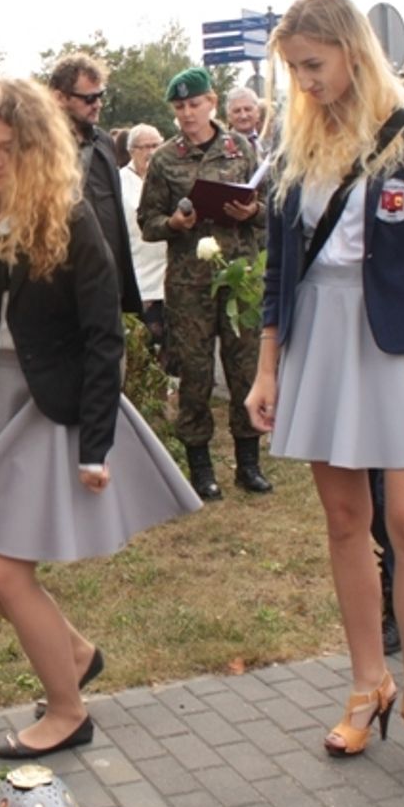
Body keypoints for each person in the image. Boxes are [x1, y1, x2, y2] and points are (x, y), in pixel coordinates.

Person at [0, 76, 200, 760]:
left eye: (9, 147)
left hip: (52, 405)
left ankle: (69, 712)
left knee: (7, 572)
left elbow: (105, 338)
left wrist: (95, 445)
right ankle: (74, 654)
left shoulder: (71, 221)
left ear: (37, 148)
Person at [246, 0, 404, 790]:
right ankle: (367, 682)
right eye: (294, 69)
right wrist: (268, 367)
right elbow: (280, 270)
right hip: (319, 341)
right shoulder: (295, 142)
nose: (305, 81)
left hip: (401, 346)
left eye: (314, 64)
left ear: (352, 50)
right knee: (346, 523)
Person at [138, 67, 273, 498]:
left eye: (194, 104)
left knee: (243, 370)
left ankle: (248, 464)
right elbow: (147, 222)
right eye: (179, 107)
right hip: (190, 285)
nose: (187, 113)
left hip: (238, 278)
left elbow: (270, 206)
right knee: (195, 375)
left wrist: (251, 212)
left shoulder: (240, 149)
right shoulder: (165, 158)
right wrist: (174, 224)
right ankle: (201, 468)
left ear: (212, 103)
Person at [47, 53, 143, 318]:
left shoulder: (104, 142)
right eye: (89, 98)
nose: (98, 104)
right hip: (61, 288)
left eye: (101, 96)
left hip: (108, 284)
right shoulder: (38, 146)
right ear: (59, 97)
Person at [119, 124, 168, 351]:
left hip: (170, 274)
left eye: (156, 145)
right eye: (144, 147)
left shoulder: (169, 176)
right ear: (131, 151)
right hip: (139, 275)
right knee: (145, 346)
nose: (151, 152)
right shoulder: (119, 181)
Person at [227, 86, 268, 161]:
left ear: (258, 113)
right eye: (237, 111)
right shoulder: (222, 148)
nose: (243, 116)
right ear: (229, 116)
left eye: (248, 109)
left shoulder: (270, 145)